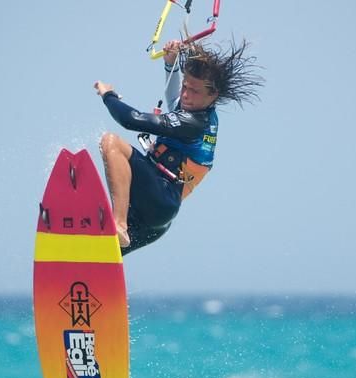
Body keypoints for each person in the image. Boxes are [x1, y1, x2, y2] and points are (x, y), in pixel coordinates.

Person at [94, 39, 263, 255]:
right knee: (99, 256)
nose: (186, 95)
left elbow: (131, 120)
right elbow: (174, 97)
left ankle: (118, 225)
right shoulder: (198, 111)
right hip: (155, 218)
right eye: (185, 86)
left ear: (213, 95)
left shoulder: (193, 124)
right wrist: (171, 62)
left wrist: (108, 95)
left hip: (157, 199)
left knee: (112, 143)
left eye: (194, 91)